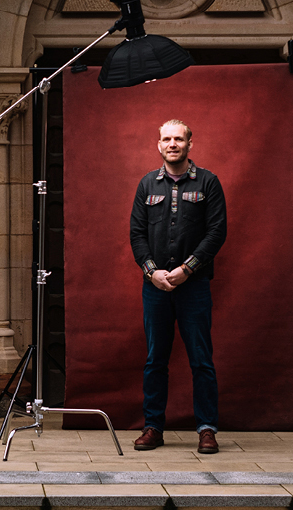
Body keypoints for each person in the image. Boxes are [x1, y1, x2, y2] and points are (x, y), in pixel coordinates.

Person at [128, 119, 228, 454]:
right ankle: (153, 427)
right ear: (159, 145)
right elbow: (136, 235)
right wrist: (152, 272)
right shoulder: (146, 185)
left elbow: (217, 233)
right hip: (155, 288)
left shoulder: (209, 183)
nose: (173, 144)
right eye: (167, 139)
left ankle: (207, 429)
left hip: (194, 286)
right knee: (156, 359)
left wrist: (187, 269)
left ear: (190, 144)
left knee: (201, 359)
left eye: (179, 139)